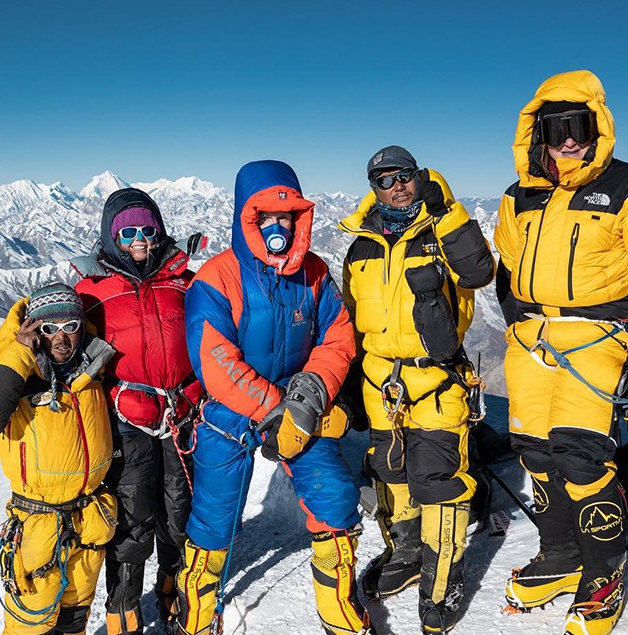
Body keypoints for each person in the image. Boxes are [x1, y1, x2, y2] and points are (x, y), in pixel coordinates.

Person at [494, 69, 628, 635]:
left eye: (578, 123)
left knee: (582, 456)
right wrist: (514, 319)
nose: (568, 137)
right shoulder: (520, 196)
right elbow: (509, 266)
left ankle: (603, 573)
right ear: (538, 132)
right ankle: (559, 554)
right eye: (556, 125)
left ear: (597, 125)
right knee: (535, 452)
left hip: (599, 337)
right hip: (532, 342)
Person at [171, 160, 371, 635]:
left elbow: (338, 338)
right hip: (234, 409)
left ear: (299, 219)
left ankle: (339, 608)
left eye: (287, 217)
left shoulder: (316, 273)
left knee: (335, 497)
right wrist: (274, 407)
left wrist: (312, 390)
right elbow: (215, 361)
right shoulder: (217, 279)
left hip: (301, 403)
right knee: (215, 516)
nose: (277, 226)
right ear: (247, 217)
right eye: (266, 216)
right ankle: (196, 614)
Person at [338, 146, 495, 634]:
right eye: (384, 180)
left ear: (418, 177)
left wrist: (445, 210)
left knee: (440, 484)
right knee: (392, 472)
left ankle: (442, 581)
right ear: (373, 188)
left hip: (438, 377)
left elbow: (479, 272)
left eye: (404, 176)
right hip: (380, 382)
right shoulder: (361, 245)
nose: (396, 186)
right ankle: (405, 553)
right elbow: (350, 316)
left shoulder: (442, 228)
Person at [66, 187, 204, 635]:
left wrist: (199, 389)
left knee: (179, 509)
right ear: (111, 238)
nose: (140, 239)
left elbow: (212, 339)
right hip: (125, 420)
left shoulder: (184, 280)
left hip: (182, 415)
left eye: (148, 229)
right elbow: (63, 345)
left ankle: (173, 589)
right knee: (132, 515)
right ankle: (123, 611)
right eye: (127, 233)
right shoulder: (90, 294)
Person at [0, 283, 118, 635]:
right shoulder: (17, 378)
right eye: (49, 329)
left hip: (89, 519)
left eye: (70, 327)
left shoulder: (93, 369)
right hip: (38, 527)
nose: (61, 338)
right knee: (31, 626)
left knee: (75, 619)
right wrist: (19, 352)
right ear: (34, 331)